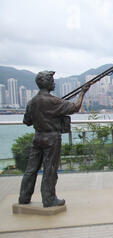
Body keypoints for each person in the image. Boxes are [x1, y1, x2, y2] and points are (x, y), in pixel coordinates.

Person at [18, 71, 90, 207]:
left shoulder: (32, 102)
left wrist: (42, 117)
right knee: (50, 169)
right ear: (46, 83)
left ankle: (24, 197)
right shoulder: (53, 101)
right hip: (51, 139)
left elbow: (27, 121)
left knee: (31, 169)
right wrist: (82, 93)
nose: (54, 82)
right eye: (52, 80)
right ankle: (49, 199)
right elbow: (75, 107)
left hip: (37, 137)